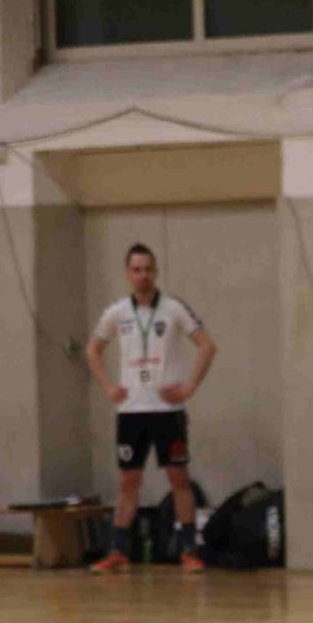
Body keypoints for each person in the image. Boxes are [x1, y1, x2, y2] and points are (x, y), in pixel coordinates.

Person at [87, 243, 215, 574]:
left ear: (155, 272)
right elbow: (92, 350)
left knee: (179, 478)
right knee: (128, 481)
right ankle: (118, 550)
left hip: (168, 411)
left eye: (148, 269)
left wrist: (189, 386)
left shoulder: (174, 308)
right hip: (131, 412)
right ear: (127, 274)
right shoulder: (117, 312)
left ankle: (189, 550)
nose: (142, 275)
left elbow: (207, 346)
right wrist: (107, 386)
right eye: (136, 270)